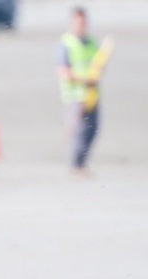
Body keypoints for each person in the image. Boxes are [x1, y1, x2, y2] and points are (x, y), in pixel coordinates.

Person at [58, 7, 100, 176]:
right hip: (74, 95)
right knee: (78, 130)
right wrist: (83, 80)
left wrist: (97, 73)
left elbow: (98, 64)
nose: (80, 25)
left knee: (93, 129)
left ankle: (81, 163)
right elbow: (62, 70)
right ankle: (75, 165)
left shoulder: (91, 42)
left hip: (92, 94)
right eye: (77, 22)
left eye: (82, 22)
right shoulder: (67, 42)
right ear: (71, 23)